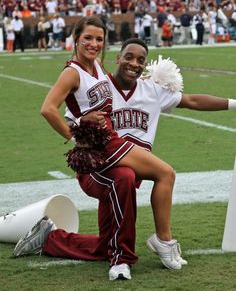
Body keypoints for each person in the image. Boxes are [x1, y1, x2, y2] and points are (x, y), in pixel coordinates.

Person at [13, 23, 236, 280]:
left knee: (104, 243)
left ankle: (50, 239)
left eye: (140, 60)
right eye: (128, 57)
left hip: (121, 162)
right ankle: (153, 245)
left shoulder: (119, 77)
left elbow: (193, 100)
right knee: (159, 173)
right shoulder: (85, 75)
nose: (133, 63)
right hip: (100, 160)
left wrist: (233, 104)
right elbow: (60, 111)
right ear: (118, 57)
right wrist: (75, 131)